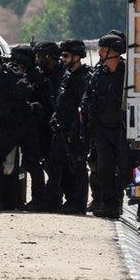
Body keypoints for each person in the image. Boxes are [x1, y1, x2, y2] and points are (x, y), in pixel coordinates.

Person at [28, 39, 90, 213]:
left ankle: (77, 204)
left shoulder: (83, 78)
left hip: (73, 131)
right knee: (56, 166)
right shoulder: (68, 75)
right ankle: (58, 202)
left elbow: (81, 109)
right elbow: (60, 102)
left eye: (66, 55)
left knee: (75, 167)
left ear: (77, 57)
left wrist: (74, 130)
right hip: (60, 129)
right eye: (62, 55)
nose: (62, 59)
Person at [0, 44, 45, 210]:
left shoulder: (0, 73)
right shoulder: (32, 74)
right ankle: (38, 200)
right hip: (28, 121)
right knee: (32, 162)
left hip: (12, 123)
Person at [84, 33, 131, 219]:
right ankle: (110, 206)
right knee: (104, 169)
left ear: (115, 52)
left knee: (125, 170)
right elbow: (88, 96)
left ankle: (130, 203)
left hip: (121, 129)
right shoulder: (99, 74)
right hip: (102, 129)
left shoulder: (127, 75)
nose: (100, 53)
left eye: (103, 49)